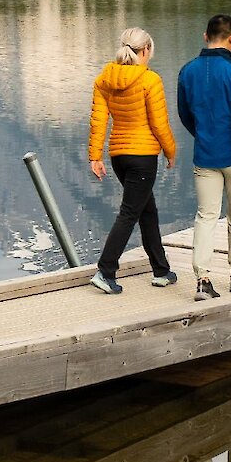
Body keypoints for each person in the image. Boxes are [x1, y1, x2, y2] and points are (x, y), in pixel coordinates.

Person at [86, 27, 179, 294]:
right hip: (143, 156)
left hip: (119, 156)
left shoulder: (104, 79)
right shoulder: (150, 80)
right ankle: (105, 270)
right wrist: (170, 152)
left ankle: (161, 270)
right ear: (146, 50)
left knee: (146, 211)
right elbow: (159, 124)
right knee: (130, 212)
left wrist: (95, 156)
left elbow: (99, 121)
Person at [175, 13, 231, 301]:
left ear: (205, 36)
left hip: (205, 156)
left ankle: (203, 280)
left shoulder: (187, 71)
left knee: (206, 216)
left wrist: (202, 135)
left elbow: (185, 114)